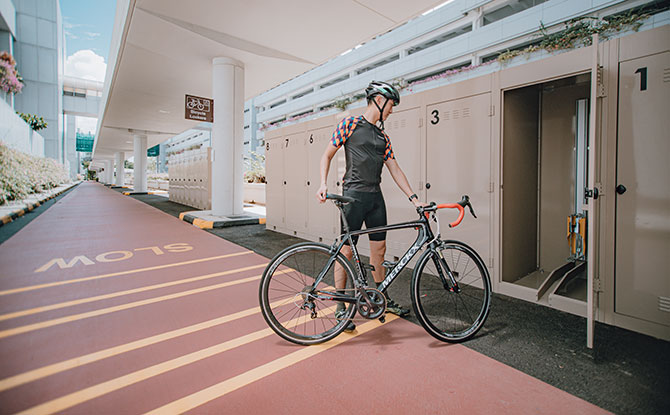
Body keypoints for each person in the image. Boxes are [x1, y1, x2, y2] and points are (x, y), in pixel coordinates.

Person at [316, 80, 426, 331]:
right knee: (345, 251)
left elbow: (395, 169)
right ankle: (341, 306)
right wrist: (322, 183)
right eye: (391, 104)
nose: (392, 110)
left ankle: (381, 298)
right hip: (353, 197)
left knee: (380, 249)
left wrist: (414, 198)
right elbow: (327, 154)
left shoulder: (382, 136)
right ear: (379, 100)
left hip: (376, 199)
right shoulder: (350, 125)